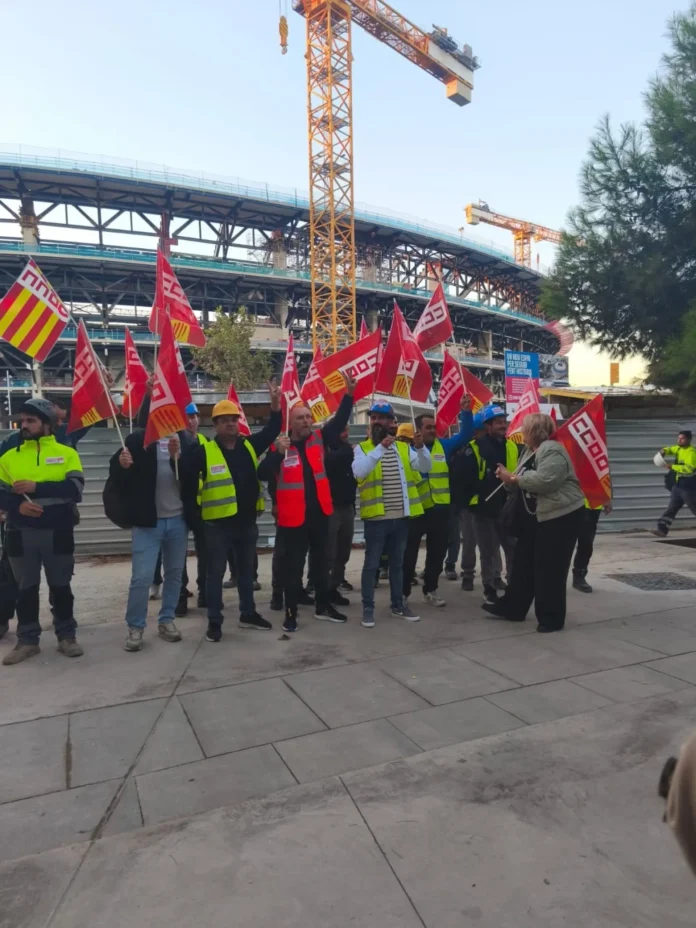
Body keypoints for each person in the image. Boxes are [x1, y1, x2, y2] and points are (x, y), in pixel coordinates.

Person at [179, 382, 281, 642]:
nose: (230, 424)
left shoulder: (248, 446)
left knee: (246, 573)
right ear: (215, 425)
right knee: (215, 575)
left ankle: (248, 613)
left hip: (246, 523)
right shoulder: (203, 452)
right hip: (216, 527)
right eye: (224, 421)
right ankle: (215, 622)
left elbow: (271, 431)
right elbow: (188, 485)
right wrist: (195, 520)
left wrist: (275, 405)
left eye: (234, 420)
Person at [257, 375, 355, 632]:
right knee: (293, 567)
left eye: (309, 417)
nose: (307, 421)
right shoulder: (281, 446)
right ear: (290, 423)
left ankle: (323, 606)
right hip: (293, 519)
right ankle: (291, 613)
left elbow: (339, 422)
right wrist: (277, 453)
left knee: (322, 563)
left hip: (321, 514)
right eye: (301, 417)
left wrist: (349, 395)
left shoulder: (319, 439)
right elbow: (263, 473)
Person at [0, 399, 84, 665]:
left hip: (58, 532)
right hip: (20, 533)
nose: (24, 425)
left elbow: (75, 490)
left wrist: (37, 487)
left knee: (61, 586)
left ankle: (66, 636)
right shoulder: (8, 458)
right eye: (23, 420)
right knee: (25, 588)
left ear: (47, 424)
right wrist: (17, 509)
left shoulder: (66, 453)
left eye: (31, 421)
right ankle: (27, 640)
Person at [484, 413, 585, 633]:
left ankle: (551, 618)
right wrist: (508, 479)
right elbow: (521, 482)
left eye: (525, 429)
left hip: (560, 517)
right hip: (536, 517)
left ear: (534, 431)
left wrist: (514, 479)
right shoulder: (529, 451)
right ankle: (513, 607)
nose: (521, 433)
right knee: (523, 563)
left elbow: (546, 481)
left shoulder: (552, 449)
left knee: (550, 568)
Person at [110, 417, 195, 652]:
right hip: (147, 523)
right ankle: (135, 626)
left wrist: (177, 458)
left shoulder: (184, 440)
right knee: (142, 577)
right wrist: (122, 466)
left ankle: (166, 620)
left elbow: (192, 479)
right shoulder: (137, 441)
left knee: (175, 574)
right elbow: (119, 479)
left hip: (177, 520)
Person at [352, 401, 431, 628]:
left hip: (401, 517)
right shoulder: (363, 449)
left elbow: (425, 467)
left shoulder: (404, 448)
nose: (377, 421)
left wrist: (420, 448)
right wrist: (381, 448)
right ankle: (368, 608)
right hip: (377, 519)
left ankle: (398, 605)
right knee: (371, 565)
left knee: (398, 564)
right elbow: (360, 471)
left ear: (391, 422)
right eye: (374, 417)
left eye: (382, 418)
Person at [402, 396, 473, 608]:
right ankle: (403, 593)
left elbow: (466, 436)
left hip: (441, 510)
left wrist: (466, 412)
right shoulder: (406, 451)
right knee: (409, 555)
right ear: (418, 430)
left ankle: (430, 590)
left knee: (437, 554)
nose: (432, 430)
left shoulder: (444, 446)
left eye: (433, 427)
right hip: (416, 511)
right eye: (428, 427)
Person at [465, 405, 518, 603]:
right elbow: (466, 478)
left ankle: (513, 586)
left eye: (504, 421)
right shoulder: (475, 447)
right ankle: (489, 589)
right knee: (487, 552)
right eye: (498, 422)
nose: (503, 425)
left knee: (512, 548)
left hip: (507, 507)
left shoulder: (512, 446)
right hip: (483, 508)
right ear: (488, 426)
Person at [447, 410, 497, 592]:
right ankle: (468, 574)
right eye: (481, 431)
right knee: (469, 540)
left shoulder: (493, 448)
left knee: (492, 542)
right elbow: (460, 479)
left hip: (491, 501)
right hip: (470, 504)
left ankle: (495, 576)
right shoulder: (465, 451)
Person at [325, 425, 356, 605]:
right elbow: (332, 461)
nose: (345, 434)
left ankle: (334, 588)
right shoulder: (328, 449)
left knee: (343, 553)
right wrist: (349, 450)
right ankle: (323, 590)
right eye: (342, 429)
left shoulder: (349, 450)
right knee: (329, 553)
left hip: (347, 506)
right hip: (330, 508)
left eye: (347, 430)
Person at [653, 430, 696, 537]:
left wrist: (672, 466)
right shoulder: (679, 448)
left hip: (689, 487)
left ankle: (662, 529)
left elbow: (689, 469)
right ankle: (662, 529)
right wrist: (663, 451)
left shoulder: (692, 453)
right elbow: (671, 449)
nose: (679, 440)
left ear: (689, 440)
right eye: (678, 438)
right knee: (672, 508)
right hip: (678, 486)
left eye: (682, 438)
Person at [572, 499, 612, 593]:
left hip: (592, 503)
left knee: (586, 542)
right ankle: (555, 577)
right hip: (569, 501)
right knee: (562, 542)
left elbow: (603, 483)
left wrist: (606, 498)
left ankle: (580, 575)